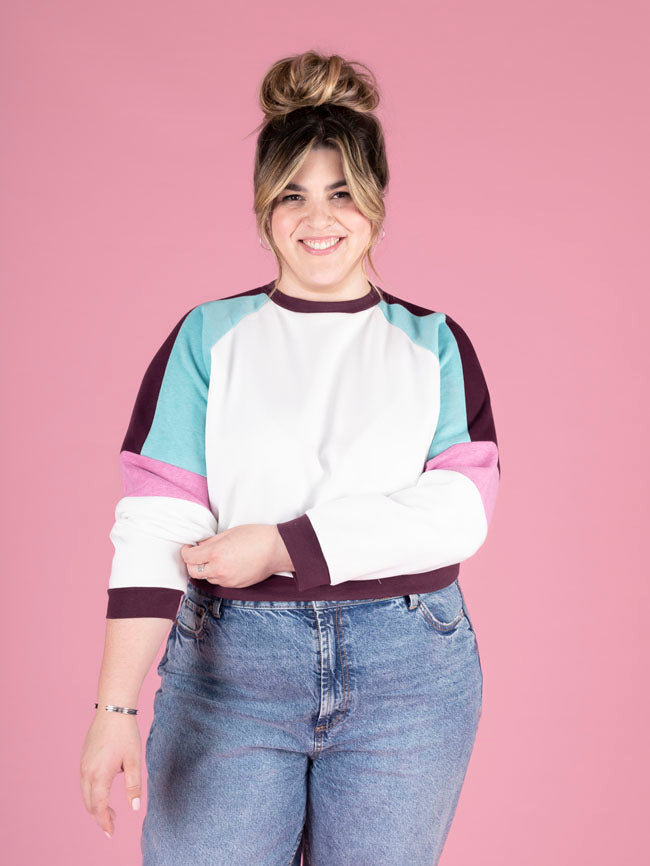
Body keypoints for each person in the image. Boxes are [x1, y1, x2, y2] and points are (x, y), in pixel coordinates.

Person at [80, 50, 500, 866]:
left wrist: (281, 544)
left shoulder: (434, 343)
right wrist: (114, 709)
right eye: (292, 195)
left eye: (342, 192)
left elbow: (458, 512)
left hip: (409, 671)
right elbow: (157, 521)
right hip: (232, 664)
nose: (318, 218)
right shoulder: (208, 337)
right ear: (263, 208)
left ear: (376, 201)